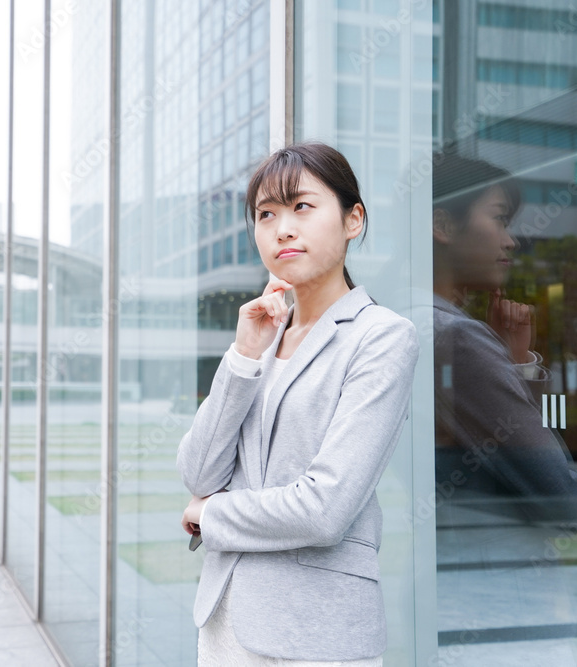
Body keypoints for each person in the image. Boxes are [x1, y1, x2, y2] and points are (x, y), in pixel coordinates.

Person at [177, 142, 419, 665]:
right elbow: (198, 472)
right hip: (222, 625)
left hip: (316, 634)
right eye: (266, 214)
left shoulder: (381, 337)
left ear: (353, 219)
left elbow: (324, 509)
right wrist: (244, 356)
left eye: (302, 207)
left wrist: (211, 513)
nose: (282, 229)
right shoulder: (264, 335)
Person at [431, 152, 577, 524]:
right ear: (443, 226)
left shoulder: (400, 317)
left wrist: (508, 362)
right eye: (500, 219)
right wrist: (512, 366)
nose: (511, 241)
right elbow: (562, 496)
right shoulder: (457, 337)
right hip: (491, 554)